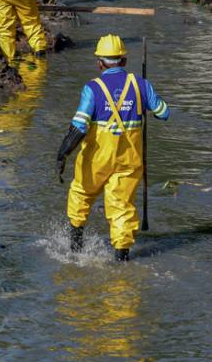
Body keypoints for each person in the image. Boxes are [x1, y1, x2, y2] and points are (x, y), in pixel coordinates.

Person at [55, 34, 170, 261]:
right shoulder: (141, 85)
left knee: (81, 195)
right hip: (129, 160)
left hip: (96, 158)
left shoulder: (92, 88)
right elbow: (164, 113)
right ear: (124, 61)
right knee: (121, 207)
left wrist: (62, 154)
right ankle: (122, 261)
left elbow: (79, 126)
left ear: (99, 63)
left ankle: (75, 251)